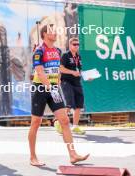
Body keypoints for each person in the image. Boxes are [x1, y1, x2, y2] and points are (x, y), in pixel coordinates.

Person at [28, 24, 89, 166]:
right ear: (44, 34)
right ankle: (32, 157)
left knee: (65, 121)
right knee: (35, 123)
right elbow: (40, 71)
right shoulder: (39, 51)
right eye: (51, 31)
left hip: (54, 88)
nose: (55, 33)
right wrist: (50, 87)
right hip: (41, 89)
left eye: (55, 30)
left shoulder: (57, 50)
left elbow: (57, 69)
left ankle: (73, 154)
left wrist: (57, 82)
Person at [60, 37, 86, 135]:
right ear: (70, 45)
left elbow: (79, 71)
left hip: (77, 83)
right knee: (69, 104)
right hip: (67, 82)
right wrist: (72, 72)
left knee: (79, 105)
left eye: (77, 44)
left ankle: (75, 126)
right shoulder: (65, 55)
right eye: (74, 44)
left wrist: (86, 77)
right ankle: (59, 122)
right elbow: (61, 69)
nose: (76, 46)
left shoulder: (79, 57)